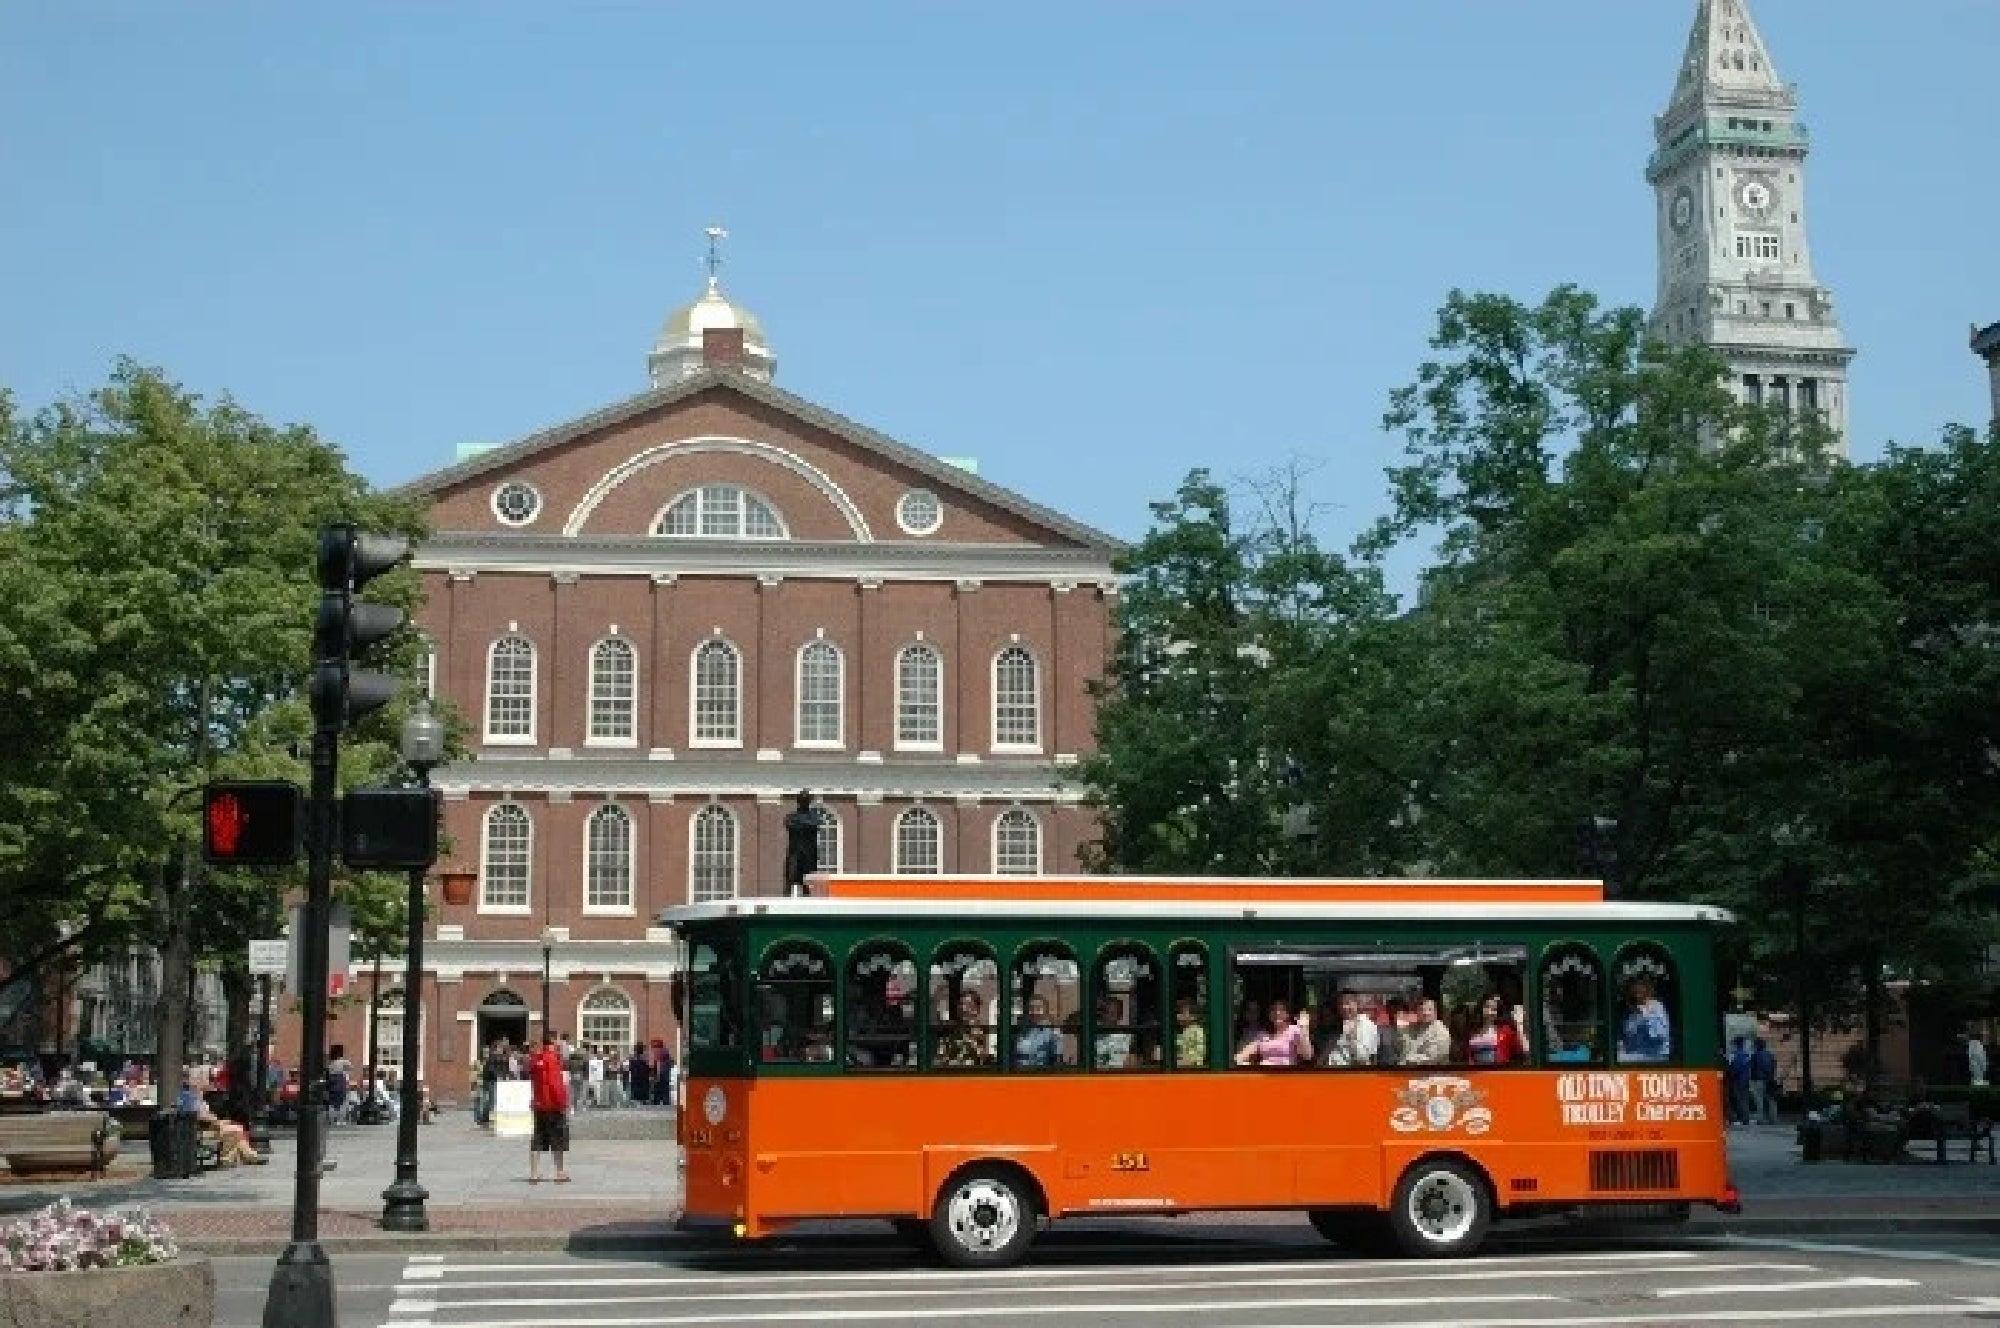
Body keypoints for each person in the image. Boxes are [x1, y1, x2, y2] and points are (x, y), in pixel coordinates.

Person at [526, 1031, 571, 1184]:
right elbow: (555, 1084)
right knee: (557, 1138)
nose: (559, 1042)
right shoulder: (552, 1059)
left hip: (539, 1104)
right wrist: (562, 1104)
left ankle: (534, 1172)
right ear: (552, 1041)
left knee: (537, 1138)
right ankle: (560, 1172)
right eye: (557, 1039)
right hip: (552, 1105)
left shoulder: (536, 1059)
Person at [1235, 999, 1312, 1067]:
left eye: (1282, 1010)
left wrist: (1304, 1028)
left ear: (1287, 1014)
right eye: (1273, 1010)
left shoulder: (1294, 1030)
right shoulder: (1262, 1034)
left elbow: (1307, 1055)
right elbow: (1244, 1053)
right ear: (1269, 1015)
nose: (1277, 1013)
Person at [1617, 978, 1671, 1063]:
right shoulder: (1631, 1013)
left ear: (1646, 988)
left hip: (1656, 1055)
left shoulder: (1656, 1006)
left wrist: (1645, 1014)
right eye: (1634, 987)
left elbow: (1661, 1035)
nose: (1637, 989)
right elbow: (1627, 1037)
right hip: (1637, 1055)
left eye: (1640, 986)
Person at [783, 790, 824, 897]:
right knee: (790, 880)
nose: (804, 801)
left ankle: (809, 906)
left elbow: (815, 825)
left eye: (806, 799)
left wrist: (800, 824)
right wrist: (806, 825)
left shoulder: (814, 816)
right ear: (798, 801)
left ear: (809, 801)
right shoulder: (791, 816)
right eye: (802, 799)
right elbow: (789, 825)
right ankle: (786, 902)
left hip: (809, 855)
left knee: (808, 883)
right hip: (794, 853)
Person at [1012, 994, 1065, 1069]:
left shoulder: (1050, 1031)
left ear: (1045, 1011)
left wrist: (1056, 1031)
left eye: (1038, 1008)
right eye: (1031, 1008)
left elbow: (1057, 1055)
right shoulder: (1020, 1030)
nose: (1034, 1012)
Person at [1401, 998, 1453, 1066]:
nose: (1425, 1013)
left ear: (1435, 1012)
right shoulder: (1415, 1028)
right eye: (1421, 1009)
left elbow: (1430, 1058)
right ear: (1417, 1012)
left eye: (1429, 1009)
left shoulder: (1441, 1032)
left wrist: (1406, 1060)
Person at [1751, 1037, 1780, 1124]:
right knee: (1771, 1100)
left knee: (1759, 1100)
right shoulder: (1770, 1055)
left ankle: (1761, 1119)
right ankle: (1773, 1118)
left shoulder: (1755, 1055)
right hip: (1770, 1080)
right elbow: (1774, 1065)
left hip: (1759, 1080)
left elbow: (1752, 1067)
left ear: (1757, 1046)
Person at [1172, 998, 1206, 1069]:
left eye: (1182, 1013)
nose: (1178, 1016)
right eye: (1178, 1013)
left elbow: (1198, 1056)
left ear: (1193, 1016)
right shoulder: (1175, 1031)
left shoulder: (1197, 1031)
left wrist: (1180, 1062)